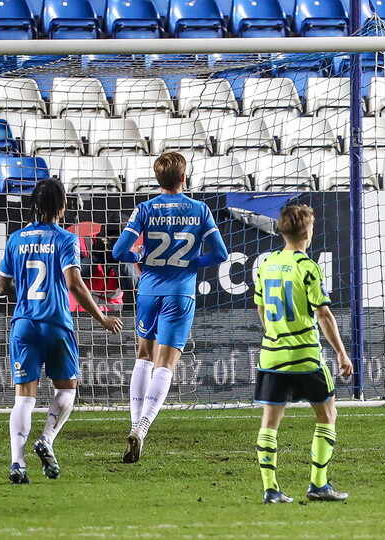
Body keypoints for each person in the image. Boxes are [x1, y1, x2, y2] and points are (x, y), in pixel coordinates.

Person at [0, 179, 123, 484]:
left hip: (24, 324)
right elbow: (74, 284)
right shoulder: (66, 239)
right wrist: (102, 318)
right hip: (56, 324)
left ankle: (17, 464)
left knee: (23, 398)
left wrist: (24, 288)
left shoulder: (15, 239)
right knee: (66, 390)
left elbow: (0, 288)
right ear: (63, 206)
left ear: (34, 204)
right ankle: (47, 438)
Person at [111, 152, 229, 463]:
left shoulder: (145, 209)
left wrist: (141, 257)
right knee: (166, 364)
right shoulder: (199, 210)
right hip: (180, 293)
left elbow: (119, 251)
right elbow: (221, 254)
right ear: (183, 177)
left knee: (143, 357)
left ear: (158, 178)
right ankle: (142, 428)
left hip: (148, 291)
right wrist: (192, 262)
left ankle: (134, 425)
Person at [253, 204, 353, 504]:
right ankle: (318, 484)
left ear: (281, 231)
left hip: (272, 355)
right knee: (327, 415)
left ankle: (271, 489)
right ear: (308, 233)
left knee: (269, 423)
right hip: (305, 356)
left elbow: (260, 306)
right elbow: (323, 314)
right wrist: (341, 353)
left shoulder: (267, 263)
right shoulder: (307, 266)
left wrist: (275, 333)